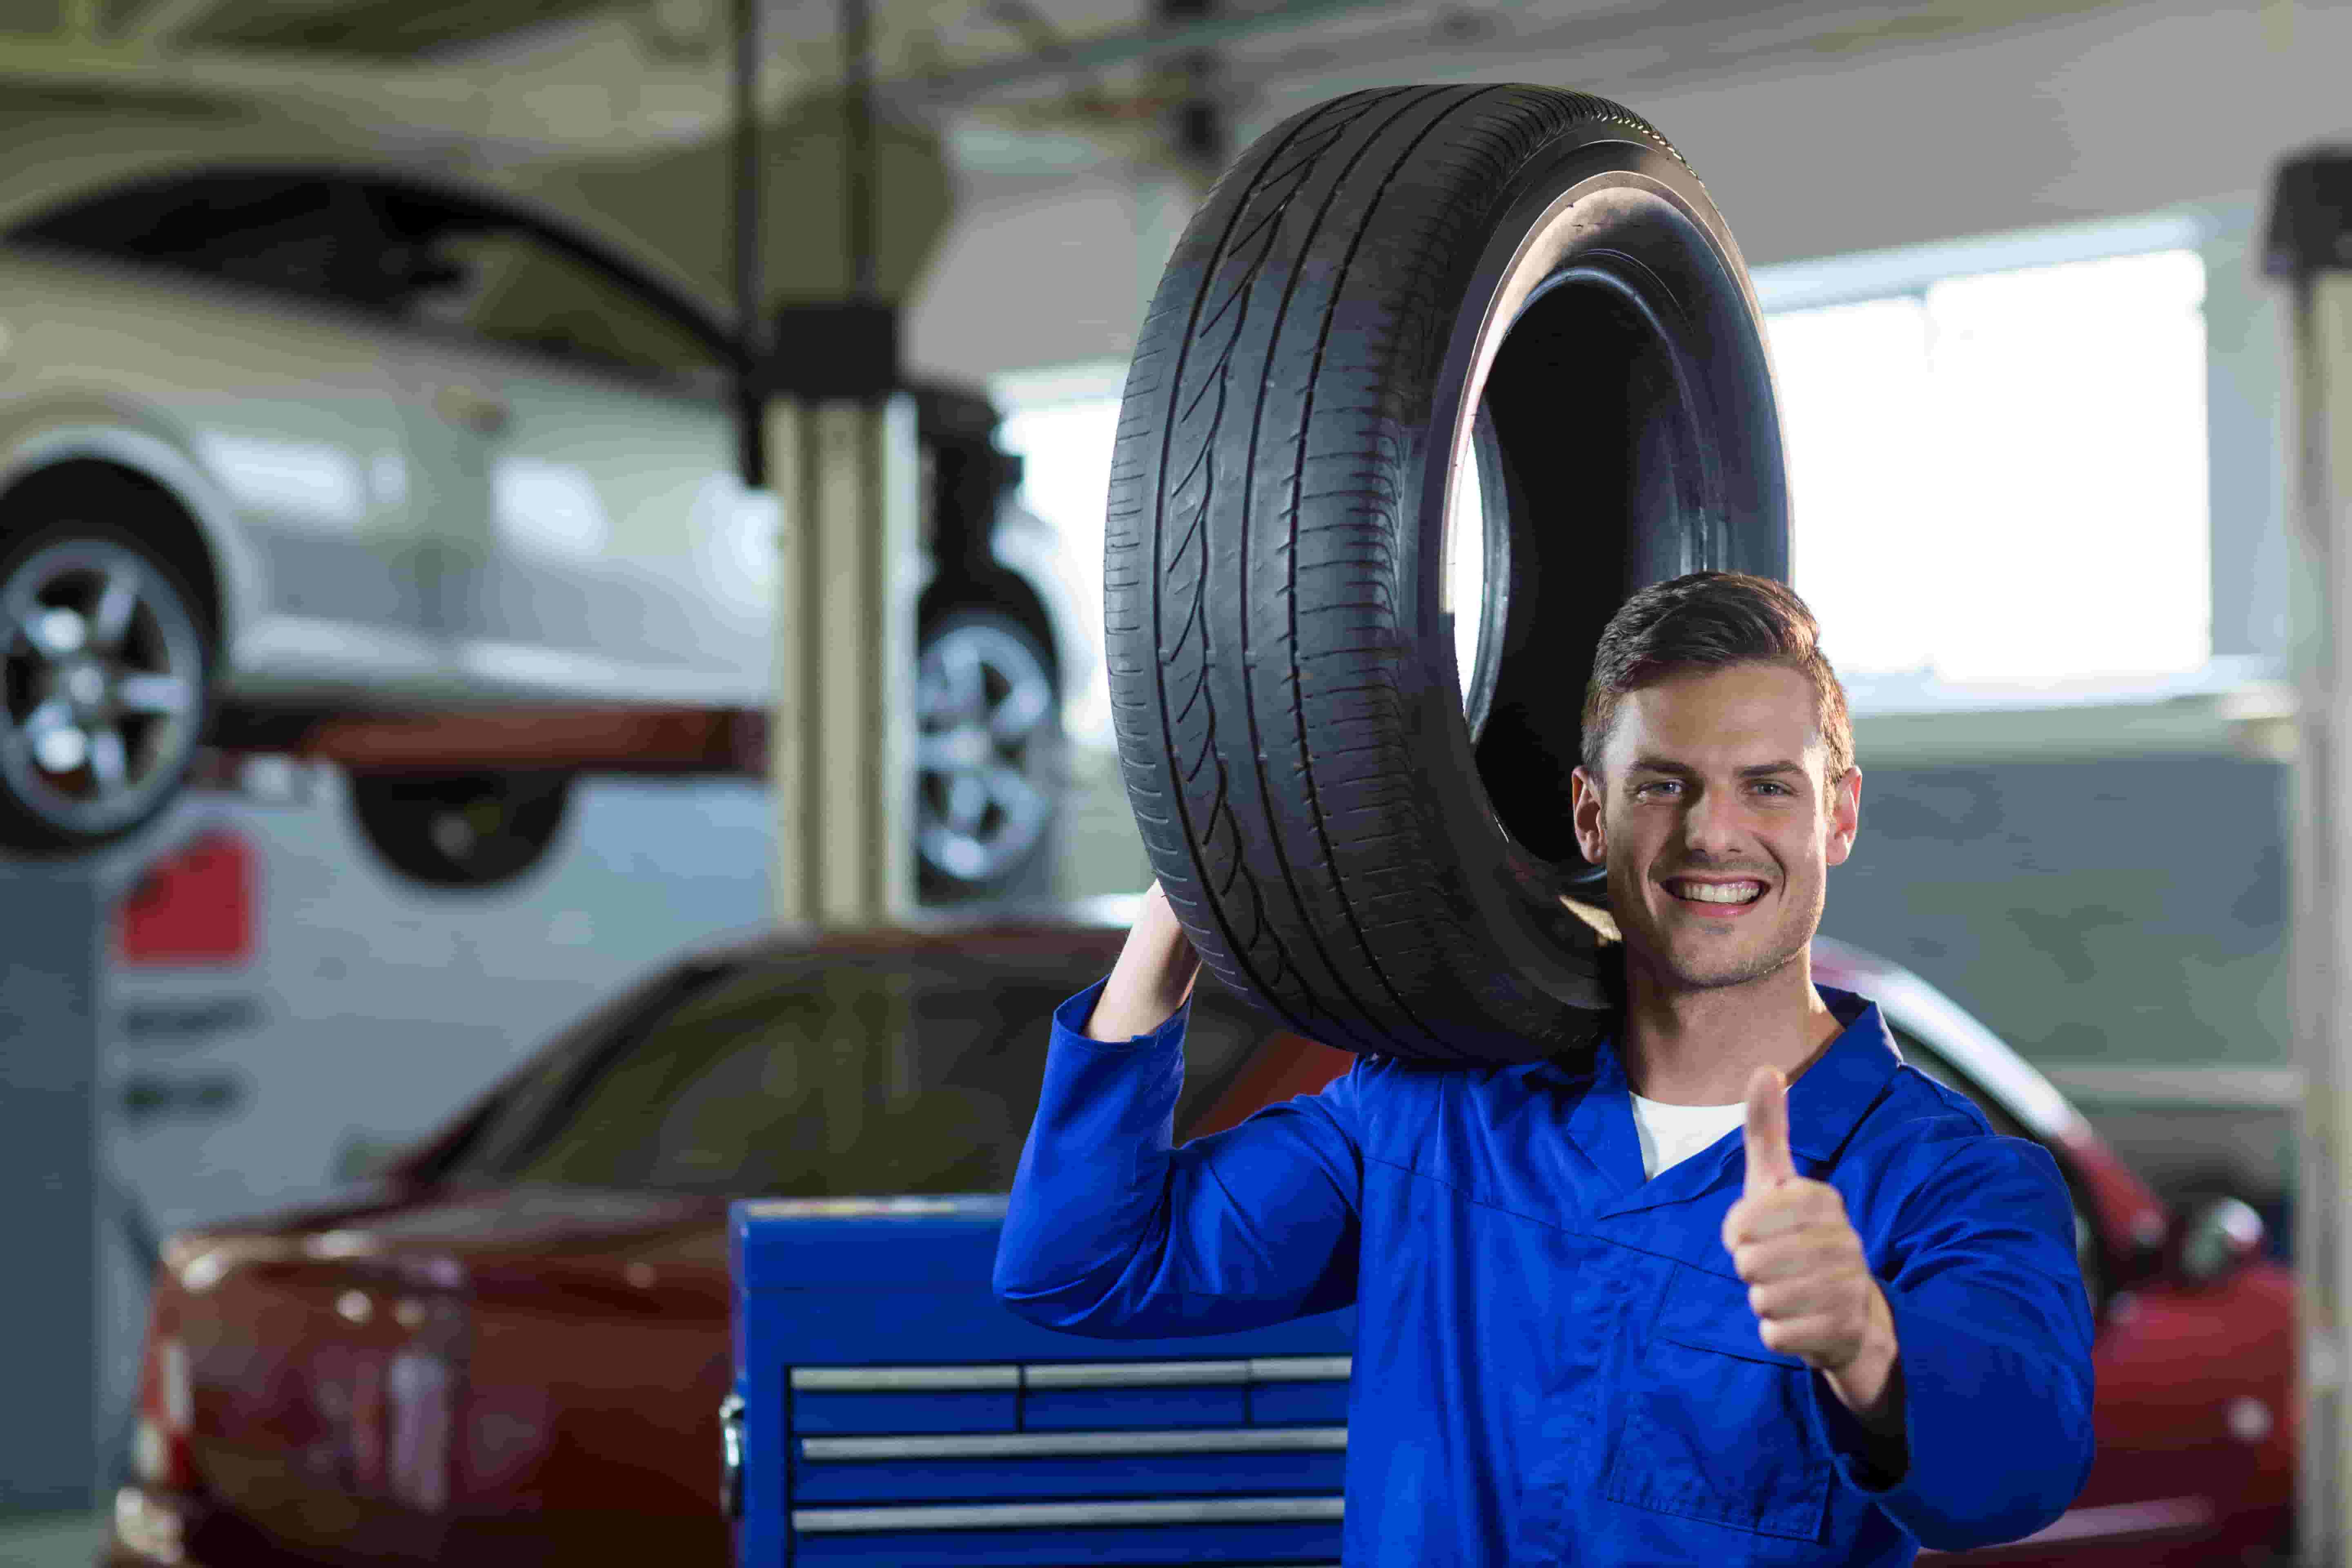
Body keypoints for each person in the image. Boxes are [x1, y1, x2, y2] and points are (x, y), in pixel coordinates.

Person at [995, 570, 2094, 1566]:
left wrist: (1868, 1342)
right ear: (1590, 814)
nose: (1715, 836)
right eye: (1663, 785)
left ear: (1837, 816)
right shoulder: (1428, 1114)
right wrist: (1188, 900)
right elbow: (1084, 1270)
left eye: (1769, 787)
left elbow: (2019, 1476)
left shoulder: (1948, 1181)